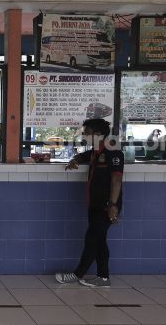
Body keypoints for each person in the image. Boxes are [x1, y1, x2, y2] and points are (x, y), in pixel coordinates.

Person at [56, 119, 123, 288]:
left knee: (92, 239)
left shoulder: (113, 150)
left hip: (107, 205)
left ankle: (77, 274)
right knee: (99, 240)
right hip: (94, 204)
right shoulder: (96, 150)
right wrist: (76, 159)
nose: (84, 135)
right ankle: (103, 277)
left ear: (98, 134)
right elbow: (85, 156)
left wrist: (113, 205)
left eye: (87, 132)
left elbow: (116, 179)